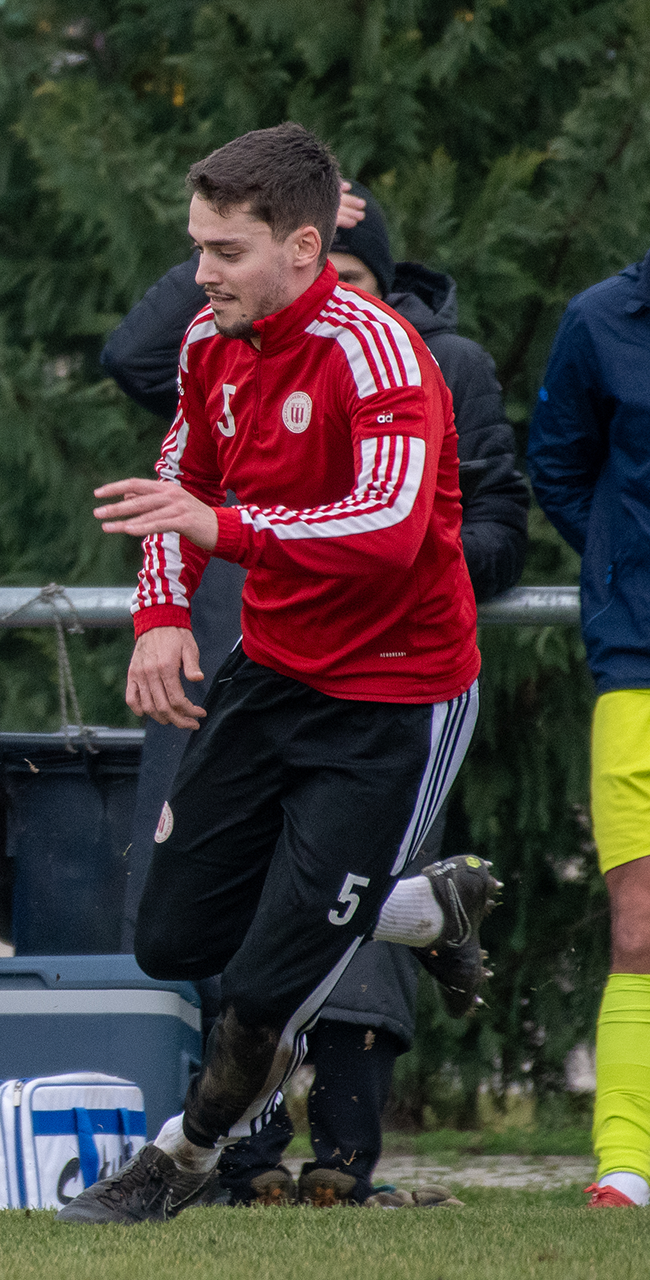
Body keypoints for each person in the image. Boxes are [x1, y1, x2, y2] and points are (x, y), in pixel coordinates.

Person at [58, 122, 497, 1225]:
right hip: (274, 671)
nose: (203, 273)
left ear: (303, 247)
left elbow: (389, 530)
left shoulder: (380, 354)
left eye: (226, 251)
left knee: (264, 994)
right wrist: (162, 615)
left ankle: (181, 1157)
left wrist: (228, 531)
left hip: (397, 694)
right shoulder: (211, 345)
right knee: (171, 939)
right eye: (197, 247)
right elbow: (180, 482)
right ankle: (422, 907)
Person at [527, 245, 650, 1210]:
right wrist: (617, 559)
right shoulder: (601, 319)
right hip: (637, 663)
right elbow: (559, 470)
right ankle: (626, 1164)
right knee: (640, 928)